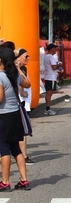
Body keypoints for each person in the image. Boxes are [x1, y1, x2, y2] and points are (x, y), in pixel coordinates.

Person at [0, 47, 31, 191]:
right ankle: (24, 180)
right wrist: (19, 70)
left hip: (3, 116)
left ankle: (5, 182)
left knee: (4, 149)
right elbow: (28, 84)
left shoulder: (0, 76)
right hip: (15, 115)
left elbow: (0, 99)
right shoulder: (14, 75)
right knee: (16, 148)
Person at [15, 48, 35, 165]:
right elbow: (22, 83)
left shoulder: (22, 68)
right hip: (20, 102)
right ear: (18, 58)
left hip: (21, 102)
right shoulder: (20, 68)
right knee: (22, 130)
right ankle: (24, 156)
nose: (28, 58)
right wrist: (22, 92)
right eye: (25, 56)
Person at [43, 43, 62, 115]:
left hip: (48, 76)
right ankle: (47, 109)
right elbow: (54, 67)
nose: (56, 50)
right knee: (49, 93)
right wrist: (59, 65)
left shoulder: (46, 57)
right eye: (55, 48)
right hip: (51, 77)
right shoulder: (51, 57)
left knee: (48, 93)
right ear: (51, 49)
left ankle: (47, 108)